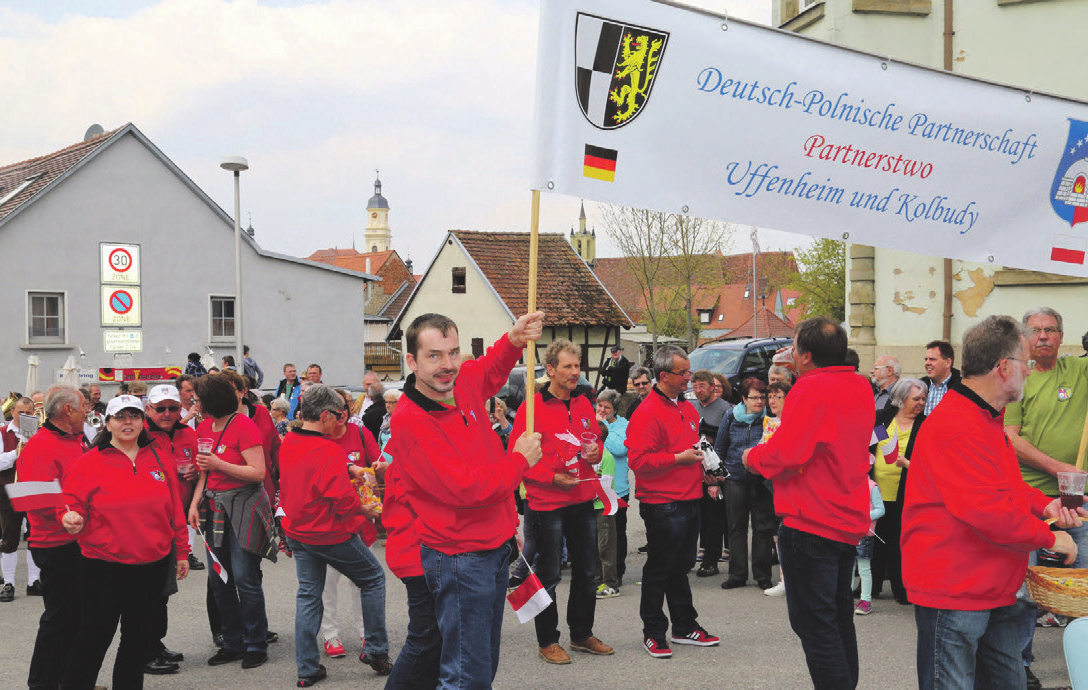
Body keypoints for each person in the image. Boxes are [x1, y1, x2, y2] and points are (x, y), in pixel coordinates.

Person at [902, 314, 1084, 690]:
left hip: (993, 585)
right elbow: (985, 511)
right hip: (954, 590)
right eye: (1027, 363)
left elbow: (1006, 487)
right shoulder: (958, 424)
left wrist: (1044, 505)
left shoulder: (985, 418)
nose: (1031, 372)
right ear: (1004, 368)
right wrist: (1049, 538)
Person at [386, 311, 544, 688]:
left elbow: (490, 369)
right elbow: (466, 490)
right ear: (412, 361)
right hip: (459, 559)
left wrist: (514, 339)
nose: (448, 365)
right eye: (435, 355)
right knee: (465, 676)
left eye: (454, 353)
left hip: (492, 548)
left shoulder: (463, 382)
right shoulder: (411, 420)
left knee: (479, 667)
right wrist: (520, 460)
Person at [743, 317, 874, 689]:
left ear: (806, 356)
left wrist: (752, 457)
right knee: (836, 621)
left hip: (811, 519)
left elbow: (789, 453)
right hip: (845, 516)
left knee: (816, 627)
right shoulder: (861, 386)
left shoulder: (810, 388)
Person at [59, 394, 190, 689]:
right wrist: (71, 518)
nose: (127, 422)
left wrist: (182, 550)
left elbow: (174, 509)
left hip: (151, 565)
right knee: (93, 639)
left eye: (133, 416)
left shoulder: (158, 456)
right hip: (104, 566)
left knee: (137, 642)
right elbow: (70, 503)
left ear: (143, 422)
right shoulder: (88, 462)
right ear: (108, 424)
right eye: (120, 417)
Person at [279, 384, 391, 686]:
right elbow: (342, 499)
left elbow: (313, 466)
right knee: (373, 578)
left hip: (299, 530)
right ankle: (377, 649)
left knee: (308, 595)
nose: (340, 421)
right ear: (325, 415)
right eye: (337, 416)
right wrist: (365, 511)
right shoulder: (327, 448)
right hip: (327, 532)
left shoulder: (290, 439)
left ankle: (307, 667)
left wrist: (348, 465)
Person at [513, 338, 613, 665]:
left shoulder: (584, 403)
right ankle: (547, 640)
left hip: (582, 497)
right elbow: (517, 457)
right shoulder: (531, 408)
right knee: (549, 574)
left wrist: (596, 451)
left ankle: (581, 633)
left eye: (577, 366)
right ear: (551, 369)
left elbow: (593, 442)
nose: (574, 372)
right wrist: (551, 477)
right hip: (547, 502)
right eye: (567, 367)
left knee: (587, 570)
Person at [1004, 306, 1088, 684]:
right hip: (1032, 499)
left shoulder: (1078, 371)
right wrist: (1059, 467)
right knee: (1025, 590)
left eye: (1051, 330)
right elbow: (1011, 437)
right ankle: (1019, 666)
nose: (1044, 337)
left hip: (1078, 501)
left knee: (1084, 586)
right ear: (1025, 336)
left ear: (1061, 335)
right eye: (1036, 330)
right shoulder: (1018, 378)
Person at [627, 344, 720, 659]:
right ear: (664, 375)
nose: (689, 378)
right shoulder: (647, 412)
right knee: (660, 569)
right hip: (662, 503)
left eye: (689, 371)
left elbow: (693, 448)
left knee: (679, 567)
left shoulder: (687, 408)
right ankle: (653, 631)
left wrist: (705, 471)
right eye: (683, 373)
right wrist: (678, 459)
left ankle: (684, 625)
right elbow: (639, 461)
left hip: (689, 498)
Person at [188, 373, 276, 670]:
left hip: (243, 508)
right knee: (218, 578)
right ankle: (232, 641)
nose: (193, 403)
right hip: (214, 508)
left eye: (197, 399)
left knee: (244, 577)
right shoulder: (203, 427)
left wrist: (218, 463)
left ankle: (256, 643)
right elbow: (204, 472)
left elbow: (258, 472)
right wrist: (194, 503)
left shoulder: (244, 425)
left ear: (211, 401)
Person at [21, 385, 88, 690]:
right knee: (60, 620)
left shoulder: (74, 440)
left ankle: (67, 680)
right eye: (83, 406)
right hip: (56, 544)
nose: (88, 411)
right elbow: (29, 498)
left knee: (75, 619)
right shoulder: (40, 445)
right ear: (68, 411)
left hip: (76, 542)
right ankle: (43, 684)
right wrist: (64, 512)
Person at [318, 387, 385, 663]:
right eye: (336, 410)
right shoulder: (318, 439)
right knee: (327, 582)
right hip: (329, 521)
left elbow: (375, 464)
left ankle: (366, 633)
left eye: (345, 407)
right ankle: (330, 634)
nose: (341, 414)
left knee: (362, 583)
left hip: (358, 521)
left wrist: (373, 473)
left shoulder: (360, 433)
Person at [144, 384, 201, 675]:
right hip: (149, 522)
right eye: (160, 408)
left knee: (163, 590)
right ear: (148, 409)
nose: (167, 414)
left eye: (173, 408)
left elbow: (196, 465)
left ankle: (156, 642)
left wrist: (194, 470)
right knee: (148, 591)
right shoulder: (138, 435)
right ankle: (144, 649)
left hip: (175, 518)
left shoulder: (188, 433)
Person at [383, 457, 441, 690]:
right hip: (416, 554)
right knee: (426, 636)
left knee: (434, 636)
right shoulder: (411, 462)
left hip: (415, 552)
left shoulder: (405, 460)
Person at [870, 377, 927, 606]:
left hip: (906, 491)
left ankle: (900, 589)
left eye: (923, 398)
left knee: (899, 541)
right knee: (876, 539)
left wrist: (908, 464)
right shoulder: (885, 418)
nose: (921, 403)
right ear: (902, 400)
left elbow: (931, 463)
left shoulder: (924, 425)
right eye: (916, 399)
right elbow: (872, 445)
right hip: (877, 490)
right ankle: (871, 587)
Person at [717, 378, 774, 591]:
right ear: (743, 399)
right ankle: (737, 574)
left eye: (762, 397)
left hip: (762, 479)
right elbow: (721, 447)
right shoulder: (731, 416)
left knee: (763, 528)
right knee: (736, 527)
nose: (759, 402)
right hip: (735, 479)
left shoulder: (769, 419)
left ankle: (762, 575)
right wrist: (716, 478)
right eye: (754, 397)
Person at [0, 397, 41, 602]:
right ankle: (9, 583)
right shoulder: (1, 432)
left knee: (34, 537)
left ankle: (34, 581)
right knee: (10, 539)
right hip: (8, 489)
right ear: (12, 412)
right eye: (20, 412)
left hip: (31, 486)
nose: (24, 416)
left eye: (28, 412)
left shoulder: (40, 433)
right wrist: (18, 451)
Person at [595, 389, 629, 598]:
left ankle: (617, 573)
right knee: (600, 536)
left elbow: (618, 448)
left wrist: (603, 426)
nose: (602, 410)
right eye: (599, 406)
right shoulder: (593, 421)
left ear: (614, 409)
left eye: (607, 407)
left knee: (617, 533)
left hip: (618, 488)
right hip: (596, 490)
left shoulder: (623, 425)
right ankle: (600, 573)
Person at [853, 472, 885, 616]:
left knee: (864, 569)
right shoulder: (849, 484)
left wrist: (865, 516)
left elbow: (880, 509)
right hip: (848, 532)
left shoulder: (872, 487)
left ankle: (865, 600)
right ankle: (844, 597)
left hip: (864, 534)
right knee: (847, 567)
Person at [921, 340, 960, 415]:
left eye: (932, 359)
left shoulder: (961, 388)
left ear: (948, 362)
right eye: (926, 359)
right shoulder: (919, 387)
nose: (927, 363)